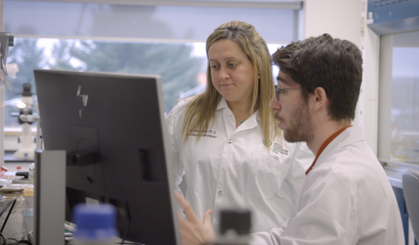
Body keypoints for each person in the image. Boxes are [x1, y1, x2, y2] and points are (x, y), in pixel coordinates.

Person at [176, 33, 405, 245]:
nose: (273, 104)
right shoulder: (342, 162)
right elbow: (286, 237)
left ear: (317, 98)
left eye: (282, 91)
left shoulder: (338, 177)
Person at [166, 20, 314, 233]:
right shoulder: (186, 114)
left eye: (232, 64)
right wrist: (181, 228)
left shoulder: (290, 120)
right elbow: (162, 182)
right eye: (214, 66)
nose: (221, 75)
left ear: (259, 67)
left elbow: (308, 201)